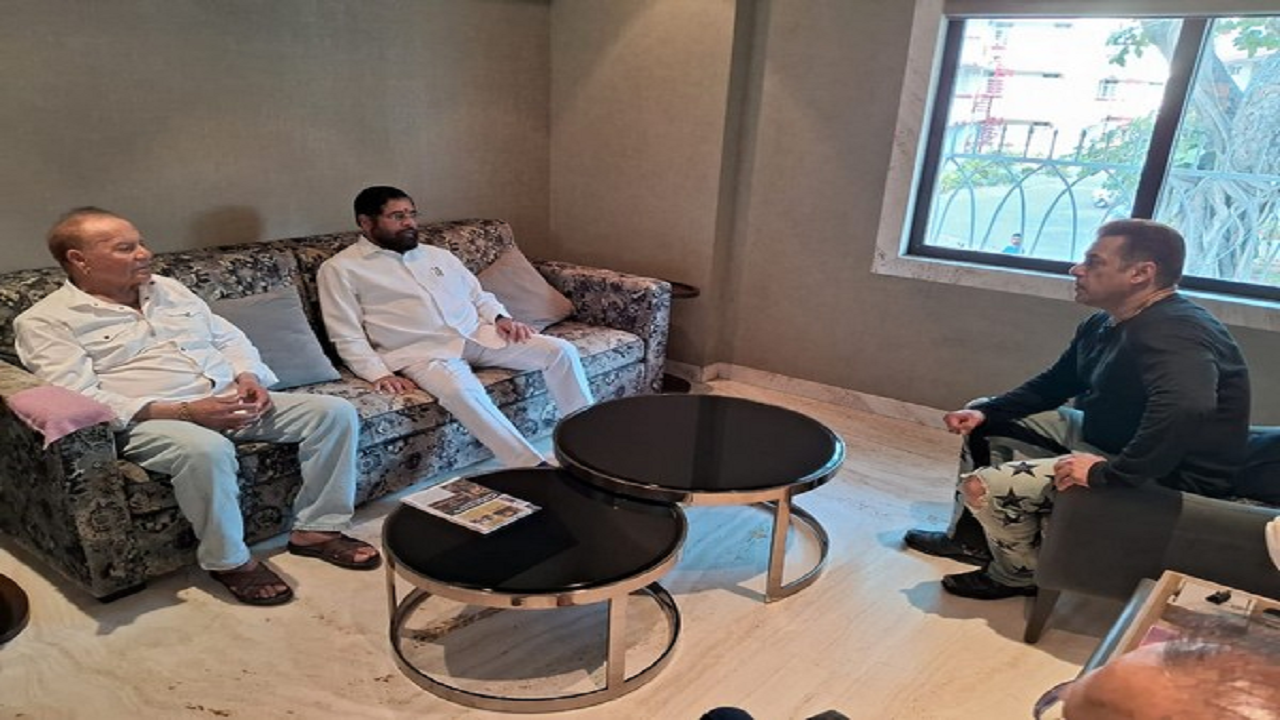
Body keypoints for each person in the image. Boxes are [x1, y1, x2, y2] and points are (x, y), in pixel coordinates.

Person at [15, 208, 380, 606]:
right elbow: (80, 396)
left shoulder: (168, 289)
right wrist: (187, 412)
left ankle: (317, 529)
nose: (144, 253)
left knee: (333, 413)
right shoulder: (46, 321)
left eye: (141, 243)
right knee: (207, 450)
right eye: (125, 248)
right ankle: (229, 561)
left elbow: (228, 338)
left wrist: (248, 376)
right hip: (149, 419)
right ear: (79, 259)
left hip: (226, 398)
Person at [904, 219, 1250, 600]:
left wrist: (1108, 475)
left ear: (1141, 273)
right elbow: (1056, 383)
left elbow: (1187, 407)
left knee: (984, 487)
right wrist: (990, 411)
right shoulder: (1105, 323)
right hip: (1108, 438)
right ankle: (970, 541)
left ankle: (1019, 574)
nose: (1076, 269)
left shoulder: (1175, 331)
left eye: (1093, 262)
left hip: (1163, 477)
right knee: (985, 416)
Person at [317, 186, 593, 467]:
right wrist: (378, 373)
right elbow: (345, 332)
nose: (410, 223)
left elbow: (479, 296)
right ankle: (530, 466)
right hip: (421, 353)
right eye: (397, 216)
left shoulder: (437, 255)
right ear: (366, 222)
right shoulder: (341, 269)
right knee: (461, 393)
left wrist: (501, 318)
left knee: (560, 351)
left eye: (412, 214)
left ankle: (584, 445)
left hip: (476, 334)